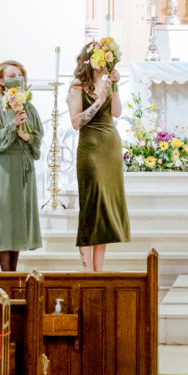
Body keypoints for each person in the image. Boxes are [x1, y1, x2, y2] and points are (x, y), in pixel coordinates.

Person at [67, 46, 130, 272]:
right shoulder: (77, 87)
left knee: (104, 207)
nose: (103, 63)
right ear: (89, 60)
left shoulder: (106, 83)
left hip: (110, 147)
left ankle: (99, 270)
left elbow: (116, 112)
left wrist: (114, 87)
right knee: (91, 204)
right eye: (100, 58)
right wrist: (97, 100)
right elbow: (76, 122)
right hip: (90, 148)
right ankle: (87, 270)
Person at [0, 60, 43, 271]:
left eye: (19, 75)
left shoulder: (30, 108)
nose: (16, 79)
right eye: (10, 76)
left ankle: (14, 274)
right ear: (1, 80)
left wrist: (25, 135)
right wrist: (12, 125)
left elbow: (37, 137)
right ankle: (4, 275)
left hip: (24, 165)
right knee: (5, 218)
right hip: (5, 166)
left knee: (18, 220)